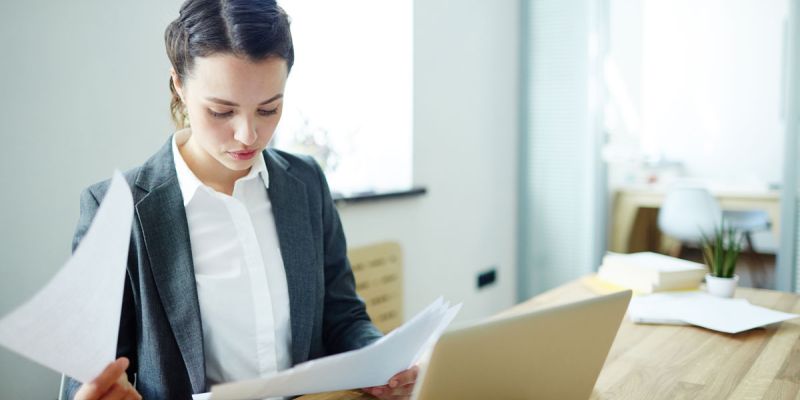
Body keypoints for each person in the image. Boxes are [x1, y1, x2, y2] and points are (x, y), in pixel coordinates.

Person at [65, 1, 417, 398]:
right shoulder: (115, 211)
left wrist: (378, 360)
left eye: (269, 109)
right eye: (221, 111)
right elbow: (87, 375)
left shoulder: (305, 183)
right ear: (179, 85)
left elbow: (343, 315)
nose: (248, 135)